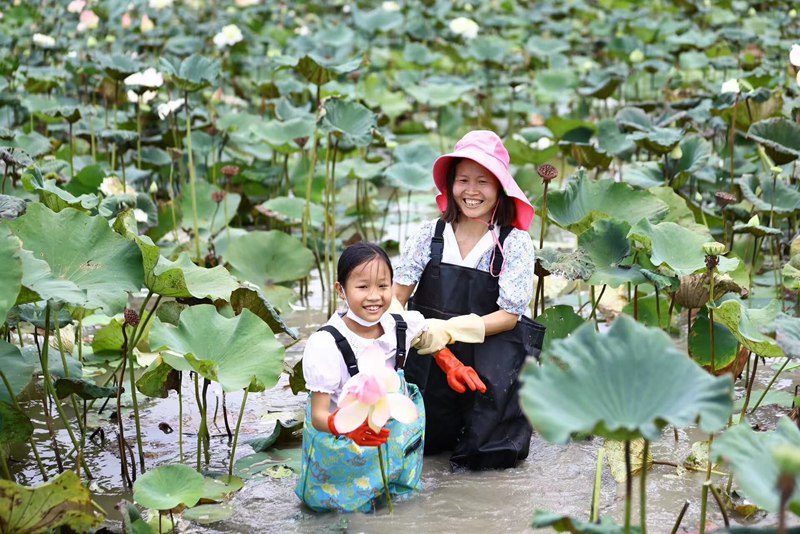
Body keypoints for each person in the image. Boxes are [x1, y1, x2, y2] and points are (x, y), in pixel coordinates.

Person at [295, 242, 486, 513]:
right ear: (341, 290)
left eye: (383, 286)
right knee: (338, 515)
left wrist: (452, 364)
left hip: (391, 435)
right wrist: (348, 428)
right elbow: (318, 416)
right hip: (343, 440)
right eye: (362, 287)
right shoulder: (326, 343)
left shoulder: (398, 325)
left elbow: (426, 334)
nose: (374, 296)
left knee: (401, 509)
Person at [393, 130, 544, 470]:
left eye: (483, 182)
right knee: (424, 447)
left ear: (499, 189)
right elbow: (396, 299)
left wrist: (447, 329)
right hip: (431, 361)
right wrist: (439, 349)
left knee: (488, 458)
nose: (471, 191)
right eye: (463, 180)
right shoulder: (429, 235)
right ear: (450, 185)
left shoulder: (514, 242)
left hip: (490, 366)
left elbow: (509, 316)